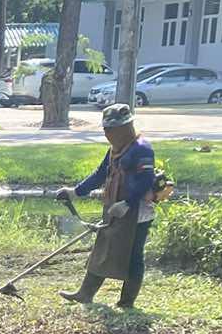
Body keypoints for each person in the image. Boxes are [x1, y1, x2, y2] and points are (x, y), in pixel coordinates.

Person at [60, 101, 157, 310]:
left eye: (114, 129)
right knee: (102, 248)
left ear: (126, 127)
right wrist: (76, 192)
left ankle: (127, 302)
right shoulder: (114, 150)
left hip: (136, 212)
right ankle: (85, 294)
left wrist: (127, 204)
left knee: (133, 255)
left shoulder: (142, 149)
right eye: (108, 129)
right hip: (114, 207)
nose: (110, 134)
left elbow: (146, 180)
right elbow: (101, 174)